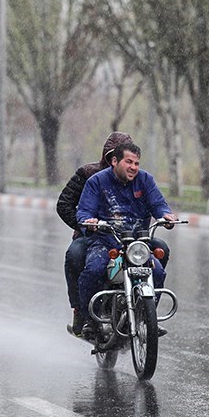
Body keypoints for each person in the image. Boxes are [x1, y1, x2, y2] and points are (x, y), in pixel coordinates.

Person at [57, 133, 169, 335]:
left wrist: (166, 215)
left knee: (158, 267)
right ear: (113, 159)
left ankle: (147, 315)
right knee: (89, 265)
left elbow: (158, 204)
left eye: (136, 162)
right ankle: (85, 316)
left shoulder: (144, 180)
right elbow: (76, 207)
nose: (132, 167)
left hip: (136, 240)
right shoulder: (92, 177)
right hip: (103, 238)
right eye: (128, 162)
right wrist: (87, 224)